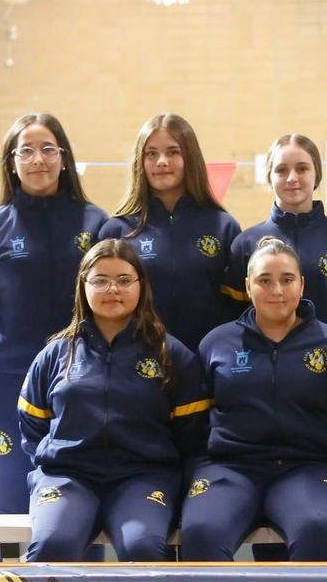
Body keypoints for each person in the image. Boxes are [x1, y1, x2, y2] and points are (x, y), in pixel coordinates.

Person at [0, 113, 106, 522]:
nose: (38, 159)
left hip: (82, 384)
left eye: (48, 149)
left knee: (78, 509)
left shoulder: (96, 224)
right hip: (8, 383)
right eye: (27, 150)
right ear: (11, 161)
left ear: (64, 157)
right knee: (12, 507)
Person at [18, 240, 209, 562]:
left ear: (141, 286)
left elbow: (193, 433)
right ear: (84, 285)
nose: (113, 290)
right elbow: (32, 427)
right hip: (69, 477)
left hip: (143, 477)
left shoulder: (170, 354)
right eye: (101, 280)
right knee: (52, 545)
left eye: (124, 280)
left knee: (143, 547)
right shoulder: (56, 354)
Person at [179, 237, 327, 562]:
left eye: (287, 279)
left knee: (316, 527)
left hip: (308, 468)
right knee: (201, 531)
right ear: (248, 286)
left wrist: (324, 459)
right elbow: (195, 421)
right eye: (265, 280)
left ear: (302, 284)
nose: (276, 290)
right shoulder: (217, 344)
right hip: (230, 469)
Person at [99, 113, 240, 352]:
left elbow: (240, 309)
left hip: (208, 362)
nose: (161, 161)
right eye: (151, 153)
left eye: (173, 152)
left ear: (190, 158)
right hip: (136, 364)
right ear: (140, 162)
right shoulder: (117, 231)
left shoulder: (224, 227)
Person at [226, 134, 327, 334]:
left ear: (316, 174)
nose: (292, 178)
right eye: (282, 170)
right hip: (264, 360)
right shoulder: (245, 244)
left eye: (302, 169)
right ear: (269, 176)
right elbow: (234, 316)